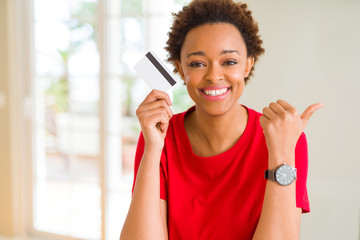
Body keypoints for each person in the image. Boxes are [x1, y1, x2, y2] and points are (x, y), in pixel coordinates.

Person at [120, 0, 323, 239]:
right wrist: (153, 149)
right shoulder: (159, 137)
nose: (214, 76)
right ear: (180, 68)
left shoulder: (286, 139)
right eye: (197, 64)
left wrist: (281, 156)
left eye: (229, 62)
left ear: (248, 65)